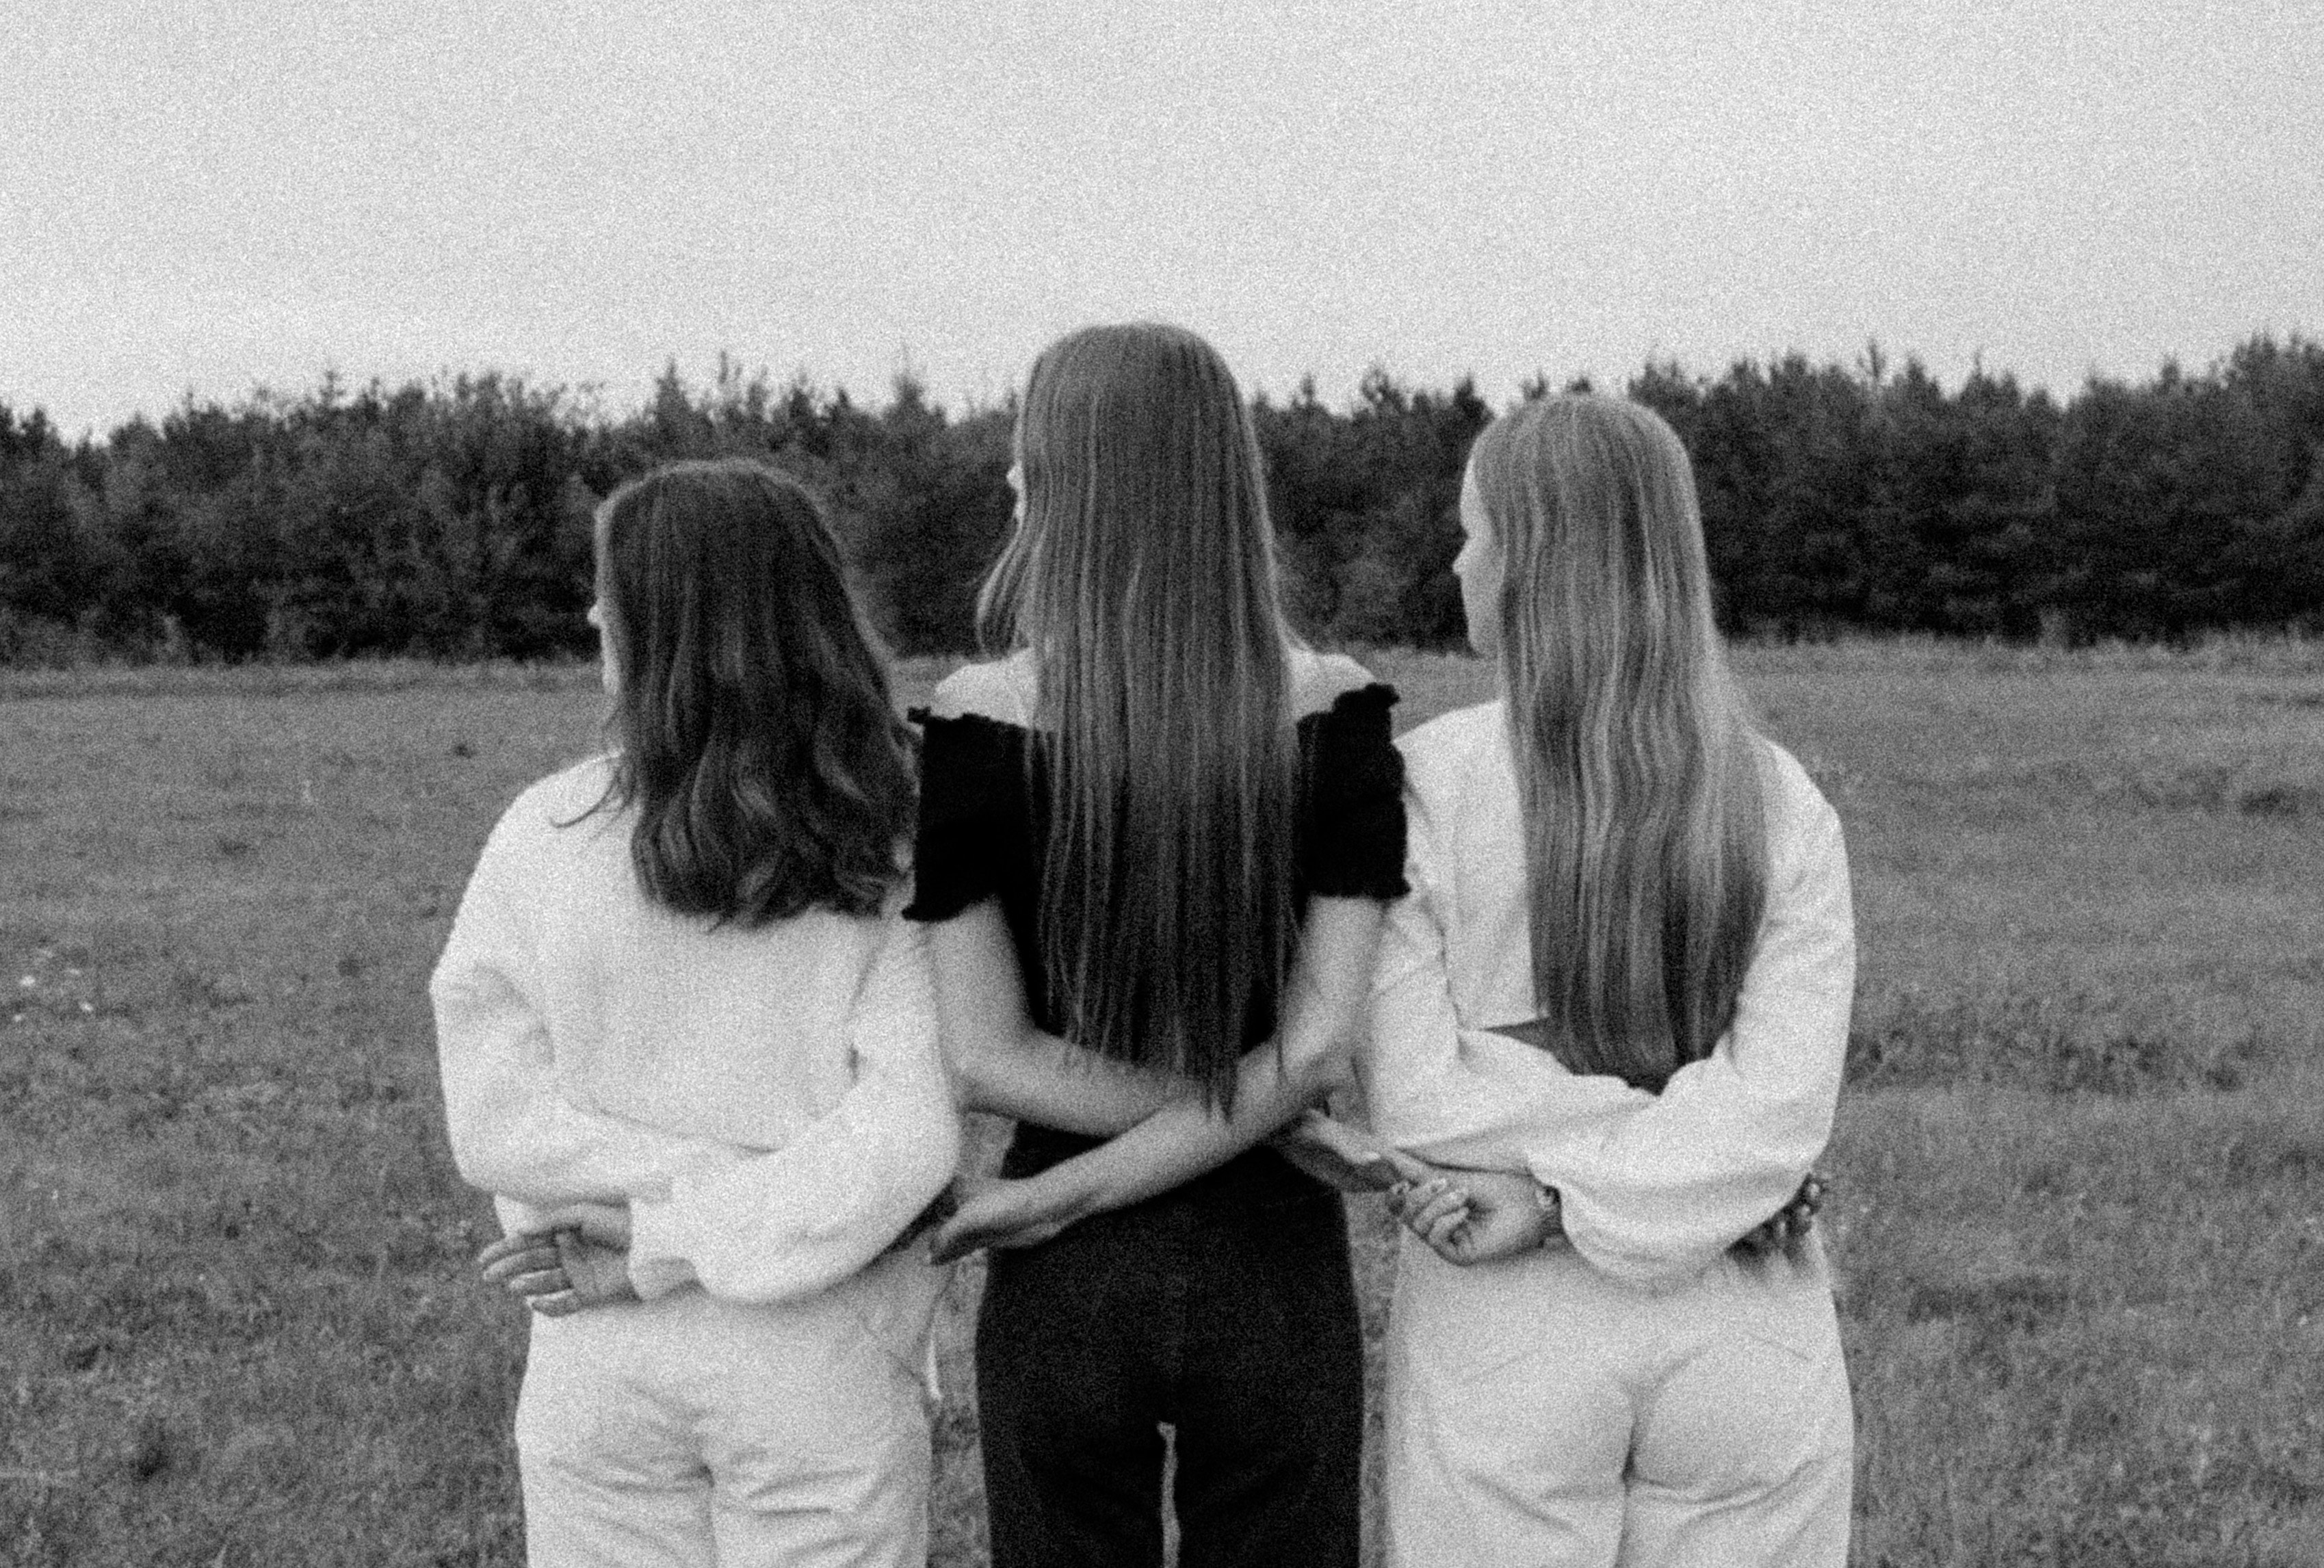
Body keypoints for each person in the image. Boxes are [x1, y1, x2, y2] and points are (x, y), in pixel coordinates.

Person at [902, 322, 1409, 1568]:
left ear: (1071, 483)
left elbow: (985, 1054)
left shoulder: (976, 720)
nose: (1010, 487)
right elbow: (1316, 1041)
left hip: (1060, 1266)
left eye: (1027, 460)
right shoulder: (1336, 711)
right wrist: (1266, 1116)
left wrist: (1069, 1186)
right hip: (1274, 1261)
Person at [432, 458, 960, 1568]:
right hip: (814, 1332)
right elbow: (898, 1143)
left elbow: (503, 1127)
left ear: (665, 625)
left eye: (608, 594)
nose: (589, 615)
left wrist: (653, 1236)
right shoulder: (894, 837)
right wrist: (705, 1223)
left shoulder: (545, 833)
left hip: (604, 1332)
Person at [1357, 394, 1857, 1567]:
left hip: (1504, 1336)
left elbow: (1421, 1099)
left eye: (1473, 530)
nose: (1457, 560)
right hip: (1746, 1314)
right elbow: (1774, 1116)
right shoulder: (1776, 799)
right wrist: (1698, 1154)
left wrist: (1545, 1199)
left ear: (1529, 558)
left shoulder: (1418, 790)